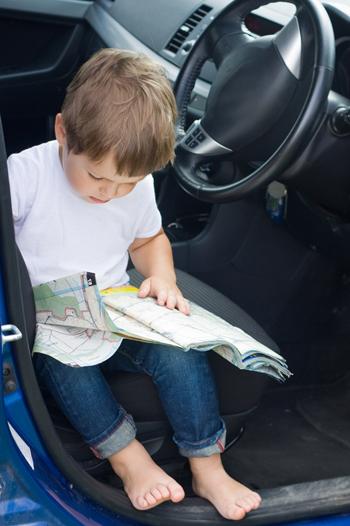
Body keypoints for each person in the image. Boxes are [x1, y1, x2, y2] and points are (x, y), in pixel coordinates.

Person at [7, 48, 261, 520]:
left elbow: (149, 239)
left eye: (126, 183)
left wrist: (161, 277)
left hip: (113, 307)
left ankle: (206, 462)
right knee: (70, 374)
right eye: (97, 177)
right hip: (50, 324)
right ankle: (131, 462)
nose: (109, 193)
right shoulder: (25, 175)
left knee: (178, 353)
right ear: (63, 131)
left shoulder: (134, 184)